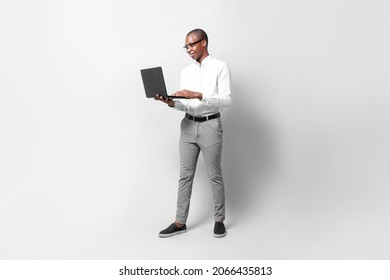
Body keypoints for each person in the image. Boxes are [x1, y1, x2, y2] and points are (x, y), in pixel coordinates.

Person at [155, 29, 232, 238]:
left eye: (191, 45)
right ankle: (180, 222)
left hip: (211, 125)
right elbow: (185, 105)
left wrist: (197, 94)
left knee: (214, 175)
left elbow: (226, 100)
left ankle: (219, 220)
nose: (188, 49)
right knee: (185, 177)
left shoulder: (220, 67)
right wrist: (171, 102)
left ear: (204, 43)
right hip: (188, 126)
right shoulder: (186, 72)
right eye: (186, 46)